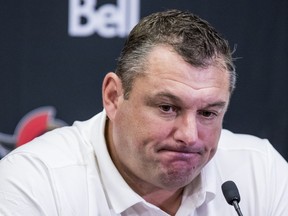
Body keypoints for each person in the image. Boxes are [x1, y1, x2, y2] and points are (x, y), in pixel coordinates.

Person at [0, 9, 287, 216]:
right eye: (167, 107)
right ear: (113, 97)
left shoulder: (262, 172)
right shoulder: (33, 182)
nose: (189, 136)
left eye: (208, 113)